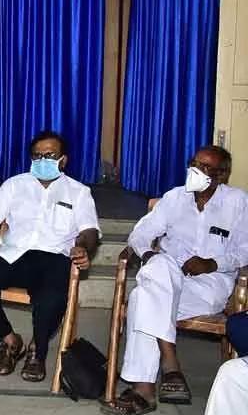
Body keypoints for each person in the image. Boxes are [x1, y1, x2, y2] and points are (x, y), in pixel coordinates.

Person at [103, 146, 248, 415]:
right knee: (158, 270)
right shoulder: (174, 198)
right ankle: (168, 368)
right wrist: (148, 255)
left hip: (208, 284)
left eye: (205, 168)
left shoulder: (239, 203)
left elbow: (245, 250)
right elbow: (140, 234)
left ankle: (145, 387)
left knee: (142, 299)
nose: (195, 171)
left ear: (222, 175)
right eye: (194, 163)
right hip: (167, 273)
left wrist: (212, 263)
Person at [0, 131, 99, 383]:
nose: (43, 160)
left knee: (52, 297)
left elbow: (89, 231)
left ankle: (37, 351)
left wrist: (83, 248)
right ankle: (10, 341)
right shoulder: (15, 185)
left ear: (63, 160)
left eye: (50, 155)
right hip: (14, 253)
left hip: (54, 255)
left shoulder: (78, 192)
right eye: (37, 155)